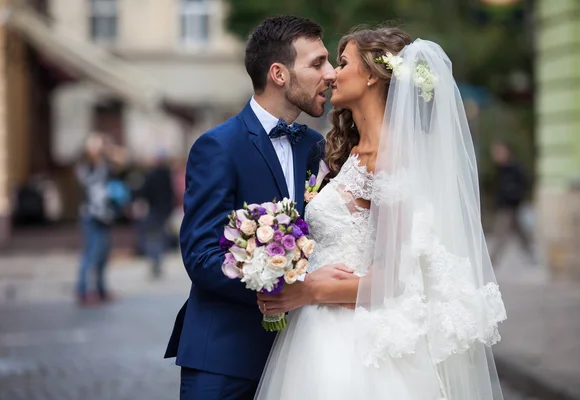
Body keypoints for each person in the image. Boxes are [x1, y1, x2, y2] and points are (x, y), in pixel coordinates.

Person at [256, 28, 507, 399]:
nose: (331, 74)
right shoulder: (349, 154)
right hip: (320, 328)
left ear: (372, 75)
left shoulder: (392, 159)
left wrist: (307, 291)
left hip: (354, 342)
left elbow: (394, 280)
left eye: (341, 63)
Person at [164, 16, 340, 400]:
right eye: (317, 63)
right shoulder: (218, 146)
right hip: (224, 358)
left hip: (300, 360)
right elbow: (201, 255)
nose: (331, 74)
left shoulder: (314, 147)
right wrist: (277, 286)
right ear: (279, 73)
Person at [75, 133, 127, 306]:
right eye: (95, 144)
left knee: (103, 254)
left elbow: (123, 161)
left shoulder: (104, 163)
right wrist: (98, 158)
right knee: (91, 253)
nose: (98, 147)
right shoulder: (86, 165)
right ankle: (82, 290)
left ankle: (101, 289)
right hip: (91, 215)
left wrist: (109, 150)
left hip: (105, 215)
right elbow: (89, 181)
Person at [488, 141, 533, 266]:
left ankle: (492, 260)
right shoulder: (500, 170)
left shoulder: (515, 169)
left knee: (502, 233)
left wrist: (513, 195)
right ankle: (530, 254)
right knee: (518, 232)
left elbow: (523, 185)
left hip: (511, 206)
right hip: (506, 206)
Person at [141, 150, 175, 278]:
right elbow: (170, 193)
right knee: (160, 236)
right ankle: (158, 261)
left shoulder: (151, 175)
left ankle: (155, 261)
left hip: (154, 209)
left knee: (152, 237)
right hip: (164, 210)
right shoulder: (167, 175)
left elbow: (145, 192)